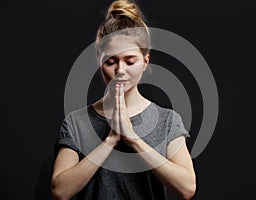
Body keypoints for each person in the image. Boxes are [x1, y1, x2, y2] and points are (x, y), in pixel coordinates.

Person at [51, 0, 196, 199]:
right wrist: (110, 140)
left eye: (130, 61)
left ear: (145, 61)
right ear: (99, 61)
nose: (120, 71)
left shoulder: (167, 120)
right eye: (111, 61)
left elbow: (187, 188)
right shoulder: (77, 122)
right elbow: (60, 191)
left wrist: (133, 139)